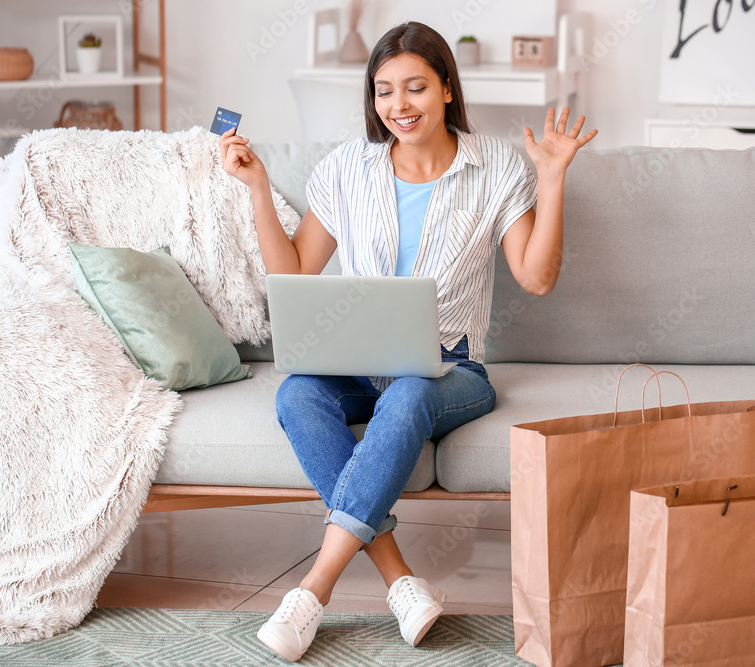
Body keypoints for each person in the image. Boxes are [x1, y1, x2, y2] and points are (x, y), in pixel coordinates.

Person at [219, 21, 596, 663]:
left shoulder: (496, 166)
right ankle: (400, 581)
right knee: (297, 395)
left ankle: (313, 589)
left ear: (447, 88)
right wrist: (257, 186)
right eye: (384, 90)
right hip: (358, 364)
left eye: (416, 87)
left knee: (412, 393)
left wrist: (553, 177)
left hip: (450, 370)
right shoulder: (346, 169)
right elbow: (293, 275)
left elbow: (537, 277)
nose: (399, 105)